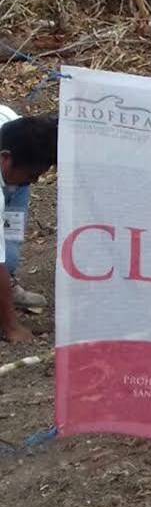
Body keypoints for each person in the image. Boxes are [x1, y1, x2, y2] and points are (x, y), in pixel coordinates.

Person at [0, 113, 57, 342]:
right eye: (33, 175)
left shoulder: (23, 135)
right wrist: (12, 326)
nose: (34, 182)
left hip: (12, 169)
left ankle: (7, 287)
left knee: (10, 252)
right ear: (5, 159)